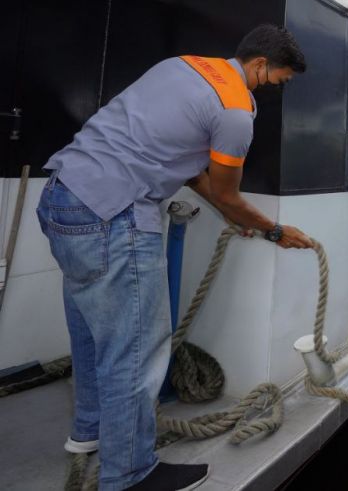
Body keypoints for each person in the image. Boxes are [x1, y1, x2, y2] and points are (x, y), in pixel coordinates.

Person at [36, 25, 313, 491]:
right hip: (115, 217)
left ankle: (89, 431)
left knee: (90, 330)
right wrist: (276, 231)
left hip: (63, 197)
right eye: (280, 79)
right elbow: (227, 192)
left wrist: (231, 214)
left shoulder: (182, 66)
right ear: (261, 65)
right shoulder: (236, 110)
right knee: (134, 350)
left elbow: (182, 168)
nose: (278, 88)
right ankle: (129, 475)